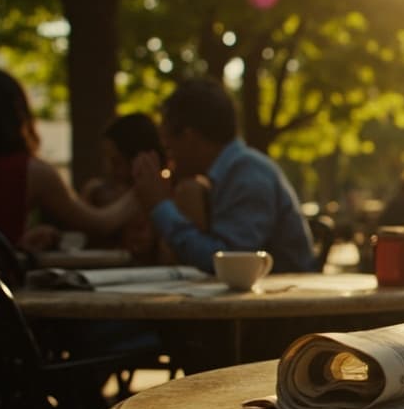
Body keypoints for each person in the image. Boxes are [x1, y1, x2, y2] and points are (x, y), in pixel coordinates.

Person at [0, 65, 139, 252]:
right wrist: (144, 186)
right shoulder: (32, 172)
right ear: (16, 114)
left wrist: (16, 247)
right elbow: (100, 223)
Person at [132, 78, 315, 274]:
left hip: (283, 299)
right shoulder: (230, 173)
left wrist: (160, 207)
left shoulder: (248, 173)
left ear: (189, 138)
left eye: (169, 147)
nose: (169, 159)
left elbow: (230, 265)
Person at [81, 113, 210, 263]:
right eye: (107, 160)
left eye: (117, 162)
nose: (110, 170)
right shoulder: (98, 192)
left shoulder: (183, 192)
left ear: (140, 159)